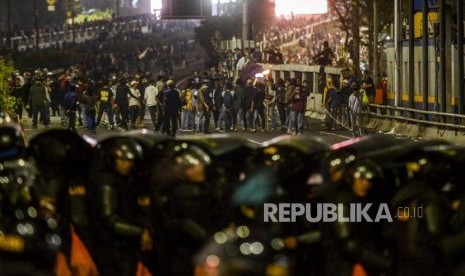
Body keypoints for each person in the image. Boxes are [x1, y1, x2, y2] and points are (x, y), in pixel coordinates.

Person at [90, 137, 154, 276]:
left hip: (126, 244)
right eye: (122, 160)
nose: (126, 165)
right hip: (113, 247)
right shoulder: (107, 183)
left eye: (130, 161)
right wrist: (139, 232)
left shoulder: (128, 180)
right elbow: (109, 218)